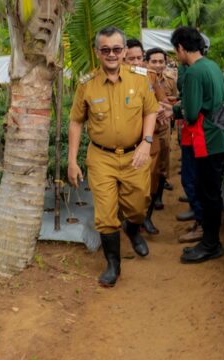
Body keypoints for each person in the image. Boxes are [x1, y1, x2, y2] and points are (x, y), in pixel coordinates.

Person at [67, 26, 160, 287]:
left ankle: (132, 228)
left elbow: (150, 111)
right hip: (101, 158)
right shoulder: (86, 85)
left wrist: (147, 141)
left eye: (117, 49)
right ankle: (113, 265)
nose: (111, 54)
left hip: (135, 156)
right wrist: (72, 161)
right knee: (106, 214)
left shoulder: (140, 79)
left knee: (139, 204)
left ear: (124, 52)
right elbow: (75, 122)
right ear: (98, 52)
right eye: (105, 49)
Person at [166, 26, 224, 263]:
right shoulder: (212, 65)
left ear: (181, 48)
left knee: (208, 195)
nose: (177, 56)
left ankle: (210, 244)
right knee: (211, 193)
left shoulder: (195, 72)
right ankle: (209, 240)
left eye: (176, 51)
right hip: (221, 137)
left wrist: (177, 109)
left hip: (209, 141)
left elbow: (193, 113)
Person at [123, 39, 160, 235]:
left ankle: (144, 219)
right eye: (131, 59)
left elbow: (160, 101)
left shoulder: (151, 77)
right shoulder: (115, 79)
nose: (136, 63)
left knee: (148, 185)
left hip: (148, 141)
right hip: (124, 143)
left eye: (139, 58)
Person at [145, 47, 179, 217]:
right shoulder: (141, 80)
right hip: (145, 131)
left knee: (162, 165)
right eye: (154, 61)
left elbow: (173, 102)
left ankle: (157, 197)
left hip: (163, 128)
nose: (158, 65)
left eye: (161, 62)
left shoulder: (171, 80)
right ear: (147, 62)